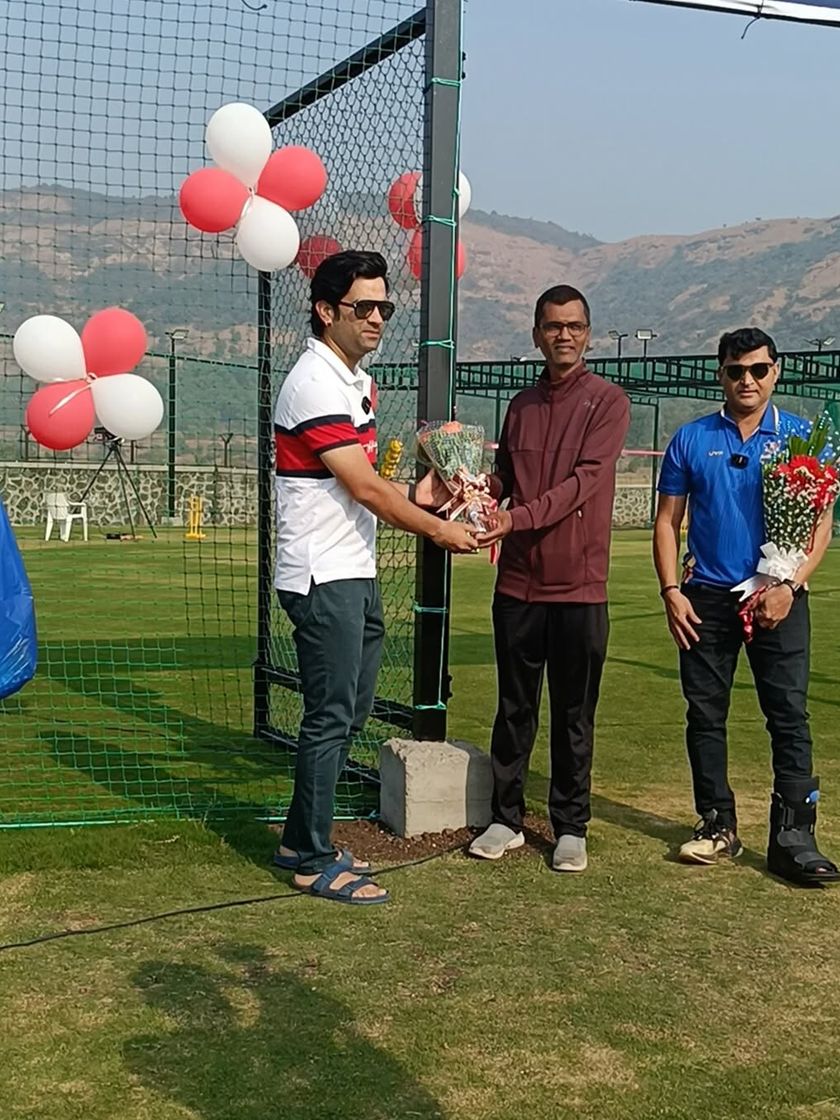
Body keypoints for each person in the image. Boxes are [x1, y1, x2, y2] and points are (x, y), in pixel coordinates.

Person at [273, 250, 478, 905]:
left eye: (384, 307)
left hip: (351, 568)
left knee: (350, 711)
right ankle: (310, 859)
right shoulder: (314, 381)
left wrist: (427, 493)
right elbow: (363, 488)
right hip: (321, 573)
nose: (377, 318)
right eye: (362, 306)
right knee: (331, 717)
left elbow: (366, 482)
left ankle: (299, 840)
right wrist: (438, 530)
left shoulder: (353, 382)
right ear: (325, 310)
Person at [653, 326, 839, 884]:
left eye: (758, 369)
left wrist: (789, 586)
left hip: (780, 596)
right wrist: (671, 591)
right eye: (736, 371)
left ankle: (794, 838)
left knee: (789, 716)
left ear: (775, 371)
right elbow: (667, 521)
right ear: (721, 375)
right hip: (706, 600)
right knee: (705, 714)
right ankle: (717, 825)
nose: (748, 380)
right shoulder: (691, 439)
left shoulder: (803, 438)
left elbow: (820, 526)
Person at [470, 284, 630, 872]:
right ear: (536, 334)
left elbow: (581, 485)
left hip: (579, 590)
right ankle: (505, 818)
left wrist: (514, 518)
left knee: (573, 714)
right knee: (514, 708)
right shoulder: (520, 405)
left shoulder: (608, 402)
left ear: (588, 334)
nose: (565, 334)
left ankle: (570, 827)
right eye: (554, 325)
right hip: (517, 585)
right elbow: (507, 478)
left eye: (575, 326)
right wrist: (476, 487)